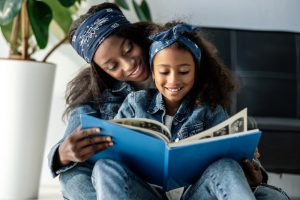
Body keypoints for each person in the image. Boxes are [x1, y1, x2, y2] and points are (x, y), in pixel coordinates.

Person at [48, 3, 290, 200]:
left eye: (128, 49)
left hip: (195, 190)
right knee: (75, 179)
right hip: (139, 189)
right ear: (101, 71)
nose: (129, 64)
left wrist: (254, 173)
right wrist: (62, 153)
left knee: (266, 194)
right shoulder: (108, 97)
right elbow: (76, 156)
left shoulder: (179, 61)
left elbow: (235, 153)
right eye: (113, 66)